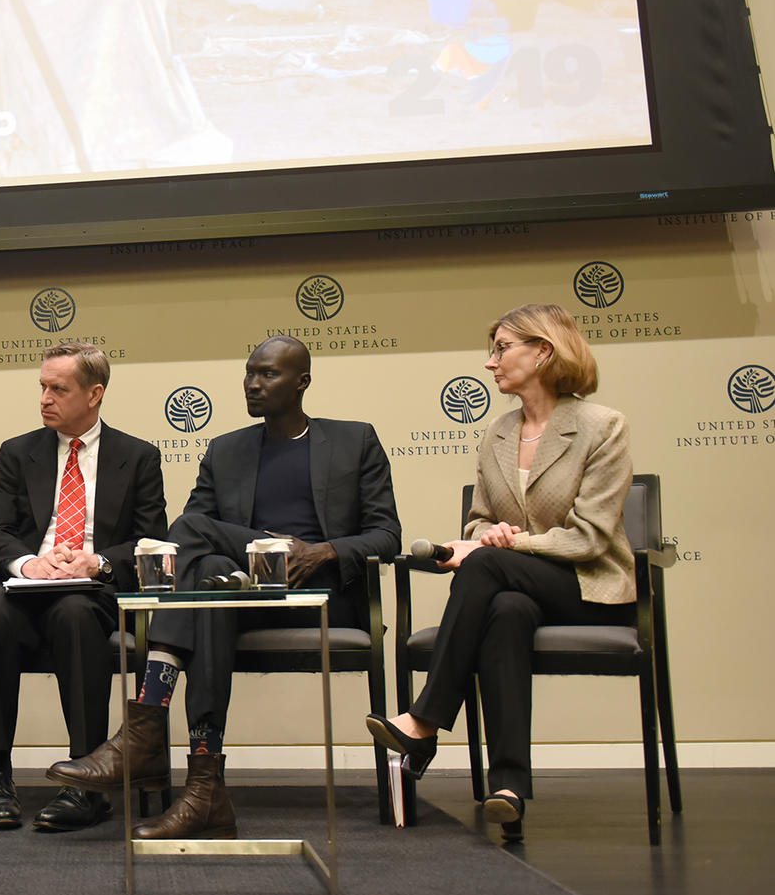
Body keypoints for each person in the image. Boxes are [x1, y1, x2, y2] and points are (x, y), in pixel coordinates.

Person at [46, 336, 401, 837]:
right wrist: (251, 558)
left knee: (193, 538)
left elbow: (387, 535)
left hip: (315, 595)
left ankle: (147, 727)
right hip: (240, 596)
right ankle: (205, 789)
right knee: (207, 578)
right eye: (249, 372)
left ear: (302, 382)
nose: (253, 384)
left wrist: (320, 551)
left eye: (269, 374)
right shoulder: (226, 449)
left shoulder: (353, 441)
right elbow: (194, 539)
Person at [369, 303, 635, 842]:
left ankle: (423, 720)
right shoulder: (497, 431)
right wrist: (481, 537)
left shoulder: (602, 426)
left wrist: (507, 544)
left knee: (491, 566)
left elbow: (590, 538)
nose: (491, 362)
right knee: (505, 609)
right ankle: (508, 788)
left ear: (542, 351)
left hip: (587, 585)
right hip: (517, 586)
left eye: (501, 348)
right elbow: (482, 520)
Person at [0, 341, 168, 833]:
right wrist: (28, 562)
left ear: (94, 394)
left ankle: (87, 778)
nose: (45, 398)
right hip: (22, 584)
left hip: (90, 589)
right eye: (42, 387)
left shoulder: (137, 456)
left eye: (58, 388)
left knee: (75, 616)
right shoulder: (18, 453)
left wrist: (96, 561)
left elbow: (151, 540)